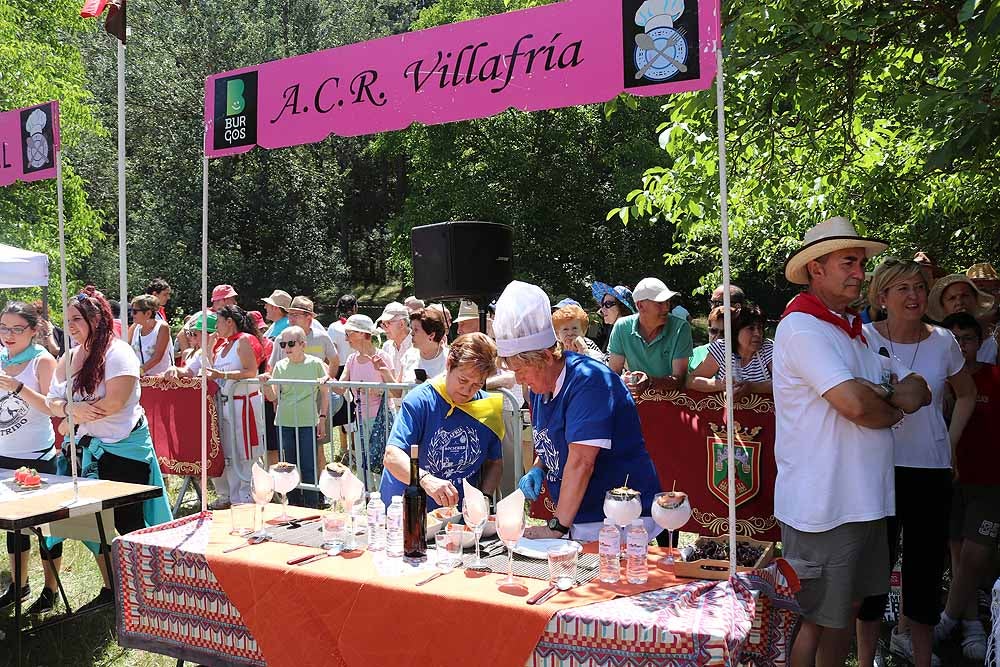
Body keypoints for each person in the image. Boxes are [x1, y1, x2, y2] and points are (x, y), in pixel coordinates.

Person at [773, 217, 931, 667]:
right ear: (816, 268)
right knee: (817, 618)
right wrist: (890, 403)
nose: (860, 272)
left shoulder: (853, 330)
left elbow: (914, 389)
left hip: (862, 501)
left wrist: (880, 398)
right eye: (849, 262)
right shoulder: (803, 328)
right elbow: (857, 405)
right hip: (824, 506)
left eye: (861, 262)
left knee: (848, 610)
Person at [855, 258, 976, 667]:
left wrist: (951, 440)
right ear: (882, 296)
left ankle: (921, 659)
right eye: (903, 288)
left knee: (924, 574)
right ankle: (868, 658)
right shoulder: (863, 338)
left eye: (920, 287)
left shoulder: (943, 340)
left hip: (930, 471)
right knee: (873, 574)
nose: (914, 295)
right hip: (877, 469)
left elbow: (967, 393)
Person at [494, 281, 661, 542]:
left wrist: (556, 527)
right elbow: (554, 438)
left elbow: (582, 461)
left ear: (546, 358)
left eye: (521, 370)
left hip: (618, 518)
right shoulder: (540, 385)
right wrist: (539, 466)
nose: (518, 380)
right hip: (581, 515)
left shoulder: (589, 381)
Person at [45, 292, 172, 609]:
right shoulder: (72, 356)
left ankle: (148, 596)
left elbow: (115, 403)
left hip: (125, 452)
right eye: (68, 318)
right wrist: (68, 410)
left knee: (131, 525)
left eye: (77, 319)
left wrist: (71, 414)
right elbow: (52, 400)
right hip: (91, 451)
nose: (70, 325)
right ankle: (114, 590)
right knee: (95, 524)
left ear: (97, 319)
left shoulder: (119, 353)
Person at [932, 313, 999, 662]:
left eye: (968, 339)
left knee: (976, 556)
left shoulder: (994, 377)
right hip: (949, 481)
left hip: (989, 483)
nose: (961, 346)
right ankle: (972, 625)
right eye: (954, 339)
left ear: (980, 341)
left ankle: (945, 620)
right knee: (959, 558)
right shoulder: (936, 381)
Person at [380, 333, 504, 509]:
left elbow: (495, 463)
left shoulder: (487, 408)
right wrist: (426, 480)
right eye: (463, 380)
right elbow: (392, 456)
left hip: (456, 518)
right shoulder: (420, 400)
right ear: (449, 364)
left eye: (477, 384)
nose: (468, 390)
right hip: (409, 511)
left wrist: (484, 497)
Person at [168, 306, 264, 508]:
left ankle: (247, 494)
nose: (216, 328)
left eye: (218, 322)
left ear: (229, 322)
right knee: (229, 451)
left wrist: (223, 376)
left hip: (243, 404)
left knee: (245, 450)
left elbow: (251, 371)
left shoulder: (244, 340)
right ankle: (234, 495)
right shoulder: (221, 347)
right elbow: (208, 370)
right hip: (225, 405)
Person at [0, 302, 62, 614]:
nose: (8, 335)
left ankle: (50, 590)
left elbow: (53, 407)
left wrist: (18, 387)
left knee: (46, 530)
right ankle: (19, 585)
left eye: (16, 328)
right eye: (3, 327)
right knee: (14, 528)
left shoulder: (42, 361)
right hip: (3, 457)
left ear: (34, 330)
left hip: (37, 458)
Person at [259, 326, 328, 508]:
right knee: (289, 466)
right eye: (283, 344)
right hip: (284, 422)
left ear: (303, 345)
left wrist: (322, 418)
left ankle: (313, 504)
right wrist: (266, 384)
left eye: (290, 343)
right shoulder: (280, 366)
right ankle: (294, 505)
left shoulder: (315, 364)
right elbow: (273, 396)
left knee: (308, 464)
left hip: (307, 422)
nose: (286, 348)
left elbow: (325, 393)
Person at [608, 277, 693, 395]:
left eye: (668, 302)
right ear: (640, 305)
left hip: (673, 401)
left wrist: (650, 382)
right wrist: (625, 381)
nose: (666, 307)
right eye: (660, 303)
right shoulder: (621, 327)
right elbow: (613, 373)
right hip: (637, 399)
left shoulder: (681, 328)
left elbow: (680, 379)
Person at [688, 303, 772, 396]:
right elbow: (691, 381)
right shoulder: (722, 348)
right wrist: (722, 385)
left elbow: (783, 383)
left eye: (760, 328)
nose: (758, 333)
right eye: (751, 328)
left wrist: (752, 387)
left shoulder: (768, 348)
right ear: (736, 331)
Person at [927, 273, 995, 362]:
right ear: (942, 305)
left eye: (965, 296)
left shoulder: (994, 341)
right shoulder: (930, 339)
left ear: (975, 300)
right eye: (952, 298)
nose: (959, 302)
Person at [128, 295, 174, 376]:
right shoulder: (134, 327)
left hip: (159, 380)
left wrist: (139, 371)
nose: (132, 314)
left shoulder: (162, 327)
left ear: (148, 313)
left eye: (135, 311)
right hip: (139, 378)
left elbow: (157, 357)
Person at [400, 307, 449, 382]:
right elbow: (398, 392)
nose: (411, 333)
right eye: (411, 329)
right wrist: (385, 372)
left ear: (431, 335)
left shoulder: (450, 359)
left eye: (416, 330)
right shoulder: (409, 355)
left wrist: (430, 386)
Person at [376, 301, 412, 380]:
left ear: (402, 324)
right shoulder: (386, 346)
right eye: (383, 324)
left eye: (387, 323)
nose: (384, 328)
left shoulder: (417, 344)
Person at [689, 305, 725, 371]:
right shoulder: (694, 354)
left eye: (724, 333)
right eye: (713, 331)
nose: (718, 337)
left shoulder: (739, 358)